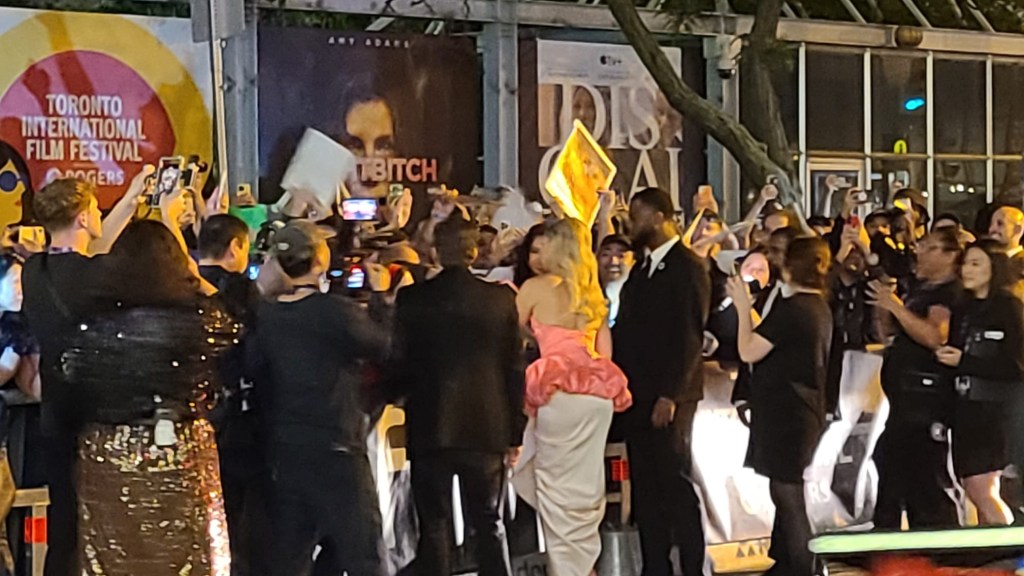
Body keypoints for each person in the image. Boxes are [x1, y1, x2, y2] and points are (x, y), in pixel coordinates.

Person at [59, 219, 236, 575]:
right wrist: (197, 279)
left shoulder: (92, 323)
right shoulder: (196, 321)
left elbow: (72, 380)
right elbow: (233, 327)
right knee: (188, 553)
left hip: (107, 449)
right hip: (180, 445)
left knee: (112, 554)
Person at [21, 171, 154, 576]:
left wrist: (131, 197)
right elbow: (98, 257)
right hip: (94, 417)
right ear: (82, 218)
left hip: (54, 412)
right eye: (95, 209)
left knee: (64, 522)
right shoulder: (100, 276)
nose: (99, 215)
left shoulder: (34, 271)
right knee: (101, 523)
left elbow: (91, 253)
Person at [245, 220, 387, 576]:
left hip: (285, 448)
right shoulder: (336, 312)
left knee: (290, 557)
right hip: (337, 446)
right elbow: (384, 347)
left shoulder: (265, 316)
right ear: (320, 261)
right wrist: (382, 298)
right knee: (363, 555)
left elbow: (253, 367)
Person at [393, 217, 524, 576]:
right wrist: (515, 431)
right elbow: (514, 369)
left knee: (434, 524)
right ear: (474, 251)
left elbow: (401, 362)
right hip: (486, 425)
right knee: (488, 521)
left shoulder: (412, 299)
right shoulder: (500, 300)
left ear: (436, 251)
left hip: (430, 422)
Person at [513, 218, 631, 576]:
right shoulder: (591, 293)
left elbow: (509, 334)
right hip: (596, 396)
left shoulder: (535, 287)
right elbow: (605, 353)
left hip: (558, 391)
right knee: (584, 489)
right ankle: (583, 568)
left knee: (554, 487)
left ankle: (569, 570)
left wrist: (537, 340)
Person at [613, 187, 710, 576]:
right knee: (646, 488)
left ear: (658, 217)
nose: (631, 224)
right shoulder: (641, 269)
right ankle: (655, 566)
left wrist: (671, 394)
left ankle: (691, 566)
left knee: (675, 483)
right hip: (638, 394)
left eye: (637, 216)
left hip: (671, 397)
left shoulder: (687, 267)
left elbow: (689, 336)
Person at [727, 236, 832, 576]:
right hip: (799, 409)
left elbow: (749, 349)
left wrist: (741, 308)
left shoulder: (794, 308)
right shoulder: (817, 305)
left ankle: (805, 568)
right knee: (785, 493)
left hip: (789, 411)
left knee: (789, 496)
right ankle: (791, 563)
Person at [867, 228, 965, 530]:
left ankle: (937, 540)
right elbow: (889, 334)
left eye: (930, 247)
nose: (920, 252)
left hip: (924, 401)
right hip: (903, 400)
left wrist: (896, 307)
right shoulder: (920, 289)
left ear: (950, 256)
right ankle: (889, 536)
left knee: (925, 476)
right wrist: (884, 307)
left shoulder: (947, 293)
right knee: (890, 463)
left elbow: (935, 336)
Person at [936, 239, 1024, 526]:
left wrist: (965, 361)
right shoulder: (963, 308)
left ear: (995, 267)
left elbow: (1016, 365)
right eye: (965, 263)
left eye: (976, 263)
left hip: (996, 411)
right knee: (975, 486)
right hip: (966, 410)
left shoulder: (1009, 308)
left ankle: (1012, 544)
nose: (967, 270)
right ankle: (994, 548)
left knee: (981, 488)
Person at [197, 214, 265, 576]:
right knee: (239, 522)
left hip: (191, 419)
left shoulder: (176, 285)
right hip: (236, 422)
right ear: (236, 247)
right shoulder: (241, 293)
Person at [597, 234, 633, 328]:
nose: (613, 261)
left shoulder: (638, 302)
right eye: (606, 254)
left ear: (633, 261)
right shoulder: (589, 300)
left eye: (621, 256)